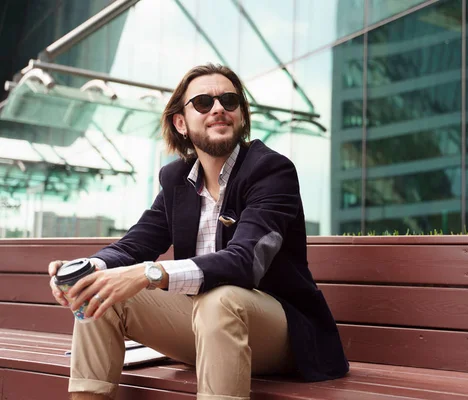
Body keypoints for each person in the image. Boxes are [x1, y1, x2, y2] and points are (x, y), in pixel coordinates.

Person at [48, 63, 349, 400]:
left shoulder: (270, 171)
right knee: (99, 295)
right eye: (204, 102)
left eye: (229, 101)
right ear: (181, 123)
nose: (218, 108)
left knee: (220, 298)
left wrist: (150, 273)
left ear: (241, 116)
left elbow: (244, 261)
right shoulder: (177, 181)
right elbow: (136, 243)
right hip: (207, 330)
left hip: (286, 337)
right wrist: (88, 271)